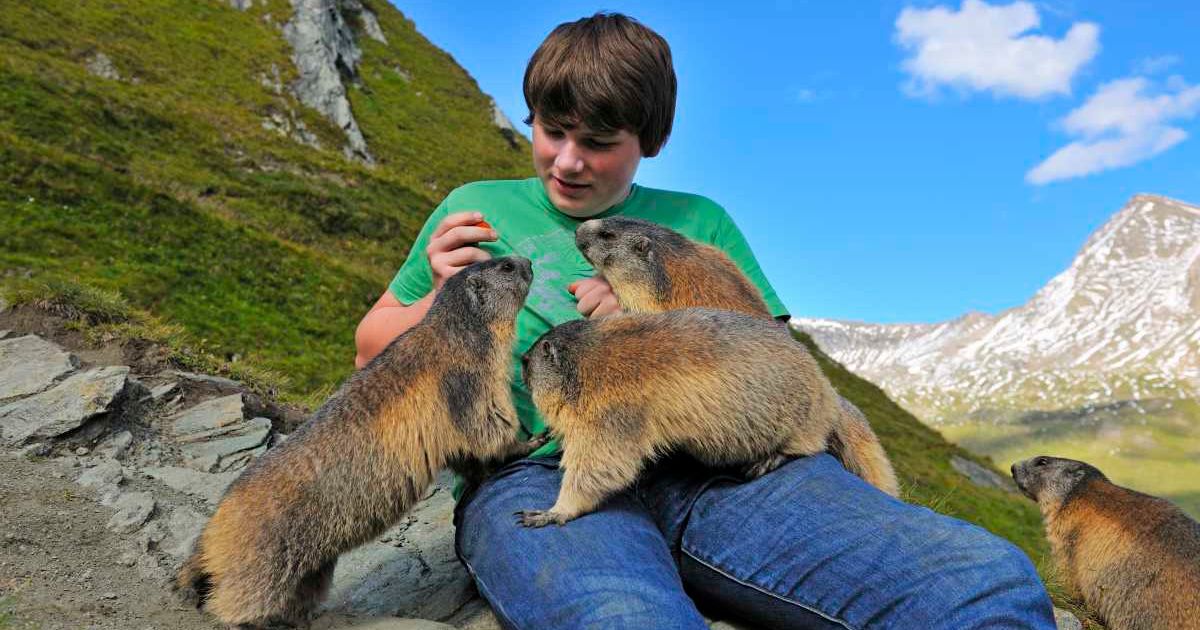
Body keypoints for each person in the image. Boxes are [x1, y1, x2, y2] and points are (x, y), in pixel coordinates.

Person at [354, 12, 1056, 630]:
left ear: (649, 141)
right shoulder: (474, 208)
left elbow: (772, 361)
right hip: (538, 472)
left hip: (722, 470)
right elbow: (370, 351)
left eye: (598, 140)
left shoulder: (700, 223)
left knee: (981, 581)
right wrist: (435, 302)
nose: (569, 160)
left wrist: (645, 320)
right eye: (553, 130)